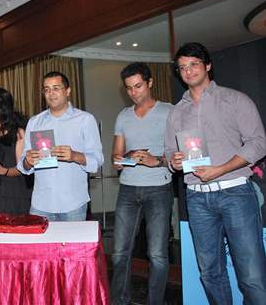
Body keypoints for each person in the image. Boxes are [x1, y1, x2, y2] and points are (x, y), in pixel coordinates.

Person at [165, 42, 266, 304]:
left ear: (208, 65)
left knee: (252, 275)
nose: (188, 71)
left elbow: (258, 142)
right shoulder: (176, 112)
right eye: (182, 67)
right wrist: (174, 161)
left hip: (236, 192)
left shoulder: (235, 100)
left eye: (194, 64)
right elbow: (168, 152)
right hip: (197, 199)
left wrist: (221, 168)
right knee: (210, 273)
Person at [110, 62, 173, 305]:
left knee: (157, 255)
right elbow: (116, 160)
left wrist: (155, 160)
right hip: (127, 189)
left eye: (138, 86)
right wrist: (128, 157)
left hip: (159, 188)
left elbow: (182, 156)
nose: (134, 92)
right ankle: (120, 301)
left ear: (150, 83)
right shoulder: (123, 116)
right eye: (129, 88)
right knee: (118, 254)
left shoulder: (169, 112)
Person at [18, 71, 103, 221]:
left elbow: (97, 160)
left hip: (73, 203)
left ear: (68, 91)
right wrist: (27, 161)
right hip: (41, 204)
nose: (51, 93)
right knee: (40, 245)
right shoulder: (34, 122)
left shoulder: (85, 120)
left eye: (56, 88)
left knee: (73, 245)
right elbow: (23, 164)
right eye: (46, 89)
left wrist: (75, 156)